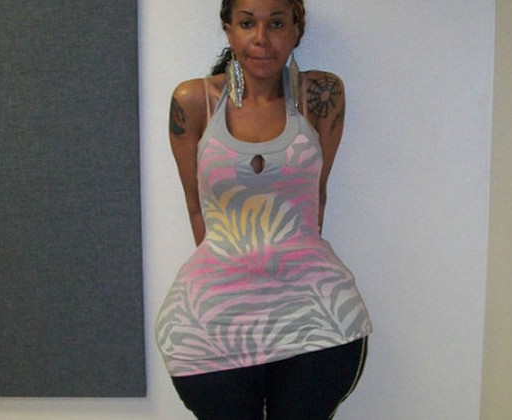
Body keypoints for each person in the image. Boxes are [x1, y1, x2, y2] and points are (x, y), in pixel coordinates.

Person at [155, 1, 372, 418]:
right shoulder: (194, 100)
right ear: (228, 30)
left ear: (296, 29)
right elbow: (197, 209)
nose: (261, 38)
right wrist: (238, 278)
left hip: (316, 324)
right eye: (246, 23)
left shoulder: (321, 96)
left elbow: (315, 198)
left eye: (276, 23)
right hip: (212, 328)